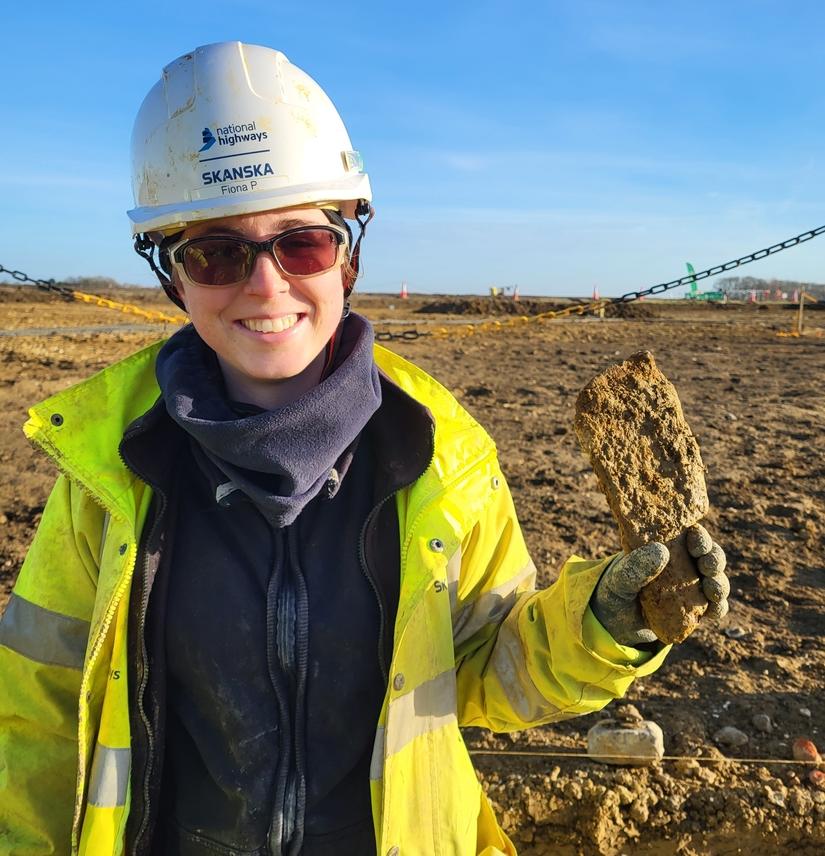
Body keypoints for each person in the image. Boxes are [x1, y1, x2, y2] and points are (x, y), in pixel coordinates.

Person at [0, 42, 729, 856]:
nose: (266, 284)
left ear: (347, 252)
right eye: (215, 252)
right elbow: (36, 711)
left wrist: (601, 623)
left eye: (301, 244)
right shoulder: (107, 468)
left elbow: (487, 669)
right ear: (173, 275)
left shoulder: (441, 457)